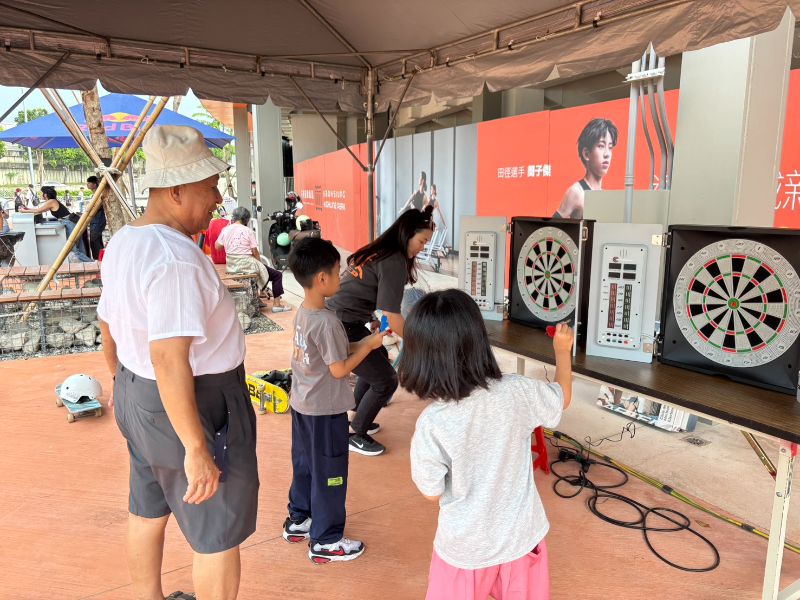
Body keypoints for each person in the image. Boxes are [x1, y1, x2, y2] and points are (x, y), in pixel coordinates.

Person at [96, 125, 258, 600]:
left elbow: (106, 324)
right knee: (218, 530)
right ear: (176, 190)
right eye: (210, 189)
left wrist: (126, 389)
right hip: (193, 402)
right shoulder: (176, 259)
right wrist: (194, 447)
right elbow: (170, 359)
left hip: (138, 392)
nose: (217, 200)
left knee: (147, 507)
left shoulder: (127, 240)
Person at [402, 289, 574, 600]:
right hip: (522, 541)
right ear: (479, 341)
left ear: (420, 357)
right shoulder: (517, 392)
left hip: (465, 550)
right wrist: (563, 351)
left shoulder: (434, 423)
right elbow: (562, 398)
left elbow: (431, 492)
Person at [282, 236, 386, 563]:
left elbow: (332, 356)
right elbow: (340, 369)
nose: (342, 278)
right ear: (322, 278)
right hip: (325, 413)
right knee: (330, 473)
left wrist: (368, 340)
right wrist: (369, 347)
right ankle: (326, 539)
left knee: (305, 466)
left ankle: (299, 519)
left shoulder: (306, 313)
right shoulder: (328, 322)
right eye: (339, 272)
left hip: (302, 406)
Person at [326, 206, 435, 456]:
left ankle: (358, 413)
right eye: (421, 241)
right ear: (407, 233)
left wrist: (374, 321)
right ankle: (356, 433)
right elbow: (393, 316)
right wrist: (421, 343)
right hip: (341, 324)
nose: (423, 247)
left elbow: (371, 298)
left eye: (426, 242)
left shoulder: (381, 251)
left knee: (379, 360)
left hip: (343, 318)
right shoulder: (394, 260)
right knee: (386, 379)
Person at [216, 206, 291, 312]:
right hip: (247, 264)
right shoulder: (248, 231)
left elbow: (217, 247)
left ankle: (257, 300)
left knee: (258, 271)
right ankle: (277, 305)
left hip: (232, 266)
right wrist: (260, 265)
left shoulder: (226, 229)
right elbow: (255, 252)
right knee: (276, 275)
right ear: (246, 219)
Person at [553, 118, 618, 219]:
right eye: (601, 146)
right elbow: (551, 228)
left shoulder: (604, 195)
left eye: (610, 147)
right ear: (586, 154)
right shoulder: (576, 192)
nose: (607, 154)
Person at [20, 186, 93, 262]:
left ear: (45, 194)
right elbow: (40, 210)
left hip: (69, 223)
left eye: (42, 193)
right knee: (78, 248)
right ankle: (88, 265)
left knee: (73, 250)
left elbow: (39, 210)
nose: (40, 195)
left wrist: (24, 211)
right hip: (71, 222)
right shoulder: (53, 201)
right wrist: (27, 209)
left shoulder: (51, 201)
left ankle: (93, 264)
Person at [86, 176, 107, 260]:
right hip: (95, 219)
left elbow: (97, 207)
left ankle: (97, 259)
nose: (87, 185)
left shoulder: (98, 194)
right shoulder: (95, 194)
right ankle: (101, 258)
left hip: (98, 220)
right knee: (97, 240)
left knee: (94, 240)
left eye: (89, 183)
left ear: (94, 184)